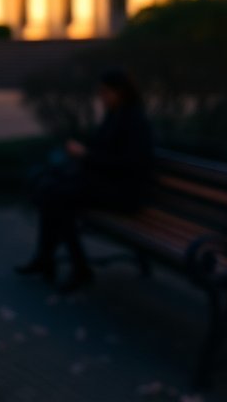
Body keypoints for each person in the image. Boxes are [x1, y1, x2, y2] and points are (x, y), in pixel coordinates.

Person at [16, 69, 154, 292]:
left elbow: (130, 163)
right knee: (48, 190)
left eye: (105, 92)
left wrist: (86, 155)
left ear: (120, 93)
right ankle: (48, 260)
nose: (101, 97)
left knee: (59, 198)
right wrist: (83, 153)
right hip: (104, 185)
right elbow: (102, 150)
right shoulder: (114, 115)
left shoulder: (134, 120)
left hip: (124, 193)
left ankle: (71, 265)